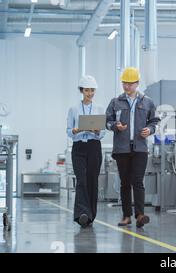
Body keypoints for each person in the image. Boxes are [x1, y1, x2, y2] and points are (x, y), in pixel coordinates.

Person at [105, 67, 160, 228]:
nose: (126, 86)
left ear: (137, 83)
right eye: (124, 83)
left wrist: (149, 130)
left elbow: (154, 121)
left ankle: (140, 215)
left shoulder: (147, 102)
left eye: (130, 83)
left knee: (138, 181)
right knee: (125, 183)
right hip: (122, 149)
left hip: (140, 149)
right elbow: (106, 122)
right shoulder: (115, 102)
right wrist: (116, 126)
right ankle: (127, 216)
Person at [66, 75, 106, 228]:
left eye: (92, 90)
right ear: (81, 91)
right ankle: (82, 214)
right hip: (79, 147)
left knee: (92, 180)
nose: (90, 93)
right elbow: (68, 131)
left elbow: (102, 133)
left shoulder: (99, 109)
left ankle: (91, 215)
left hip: (94, 146)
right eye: (87, 90)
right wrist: (75, 130)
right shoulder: (74, 109)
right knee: (81, 180)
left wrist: (96, 131)